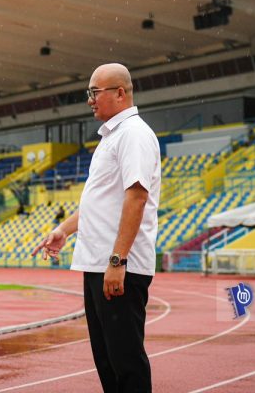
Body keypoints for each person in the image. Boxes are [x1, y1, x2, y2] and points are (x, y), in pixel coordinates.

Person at [33, 63, 161, 392]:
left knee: (125, 363)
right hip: (100, 264)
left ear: (120, 93)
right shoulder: (111, 137)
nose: (89, 99)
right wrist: (64, 230)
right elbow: (100, 203)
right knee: (108, 363)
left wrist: (118, 260)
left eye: (94, 92)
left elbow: (136, 197)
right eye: (88, 93)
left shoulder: (133, 134)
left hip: (118, 266)